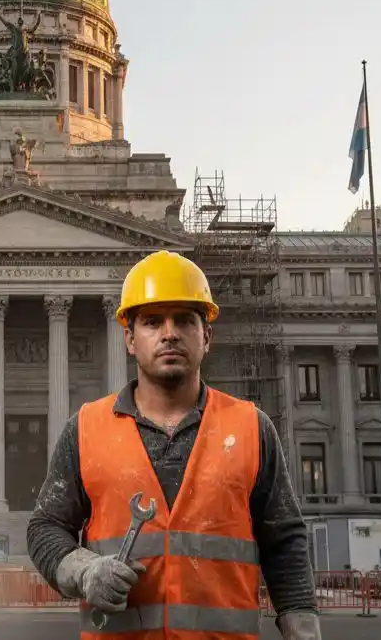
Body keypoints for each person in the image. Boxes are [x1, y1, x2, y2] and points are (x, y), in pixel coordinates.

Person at [27, 250, 320, 639]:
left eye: (184, 320)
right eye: (152, 322)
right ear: (130, 338)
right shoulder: (85, 429)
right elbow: (46, 527)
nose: (169, 333)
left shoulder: (251, 427)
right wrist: (84, 570)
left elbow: (284, 541)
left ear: (207, 336)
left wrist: (305, 632)